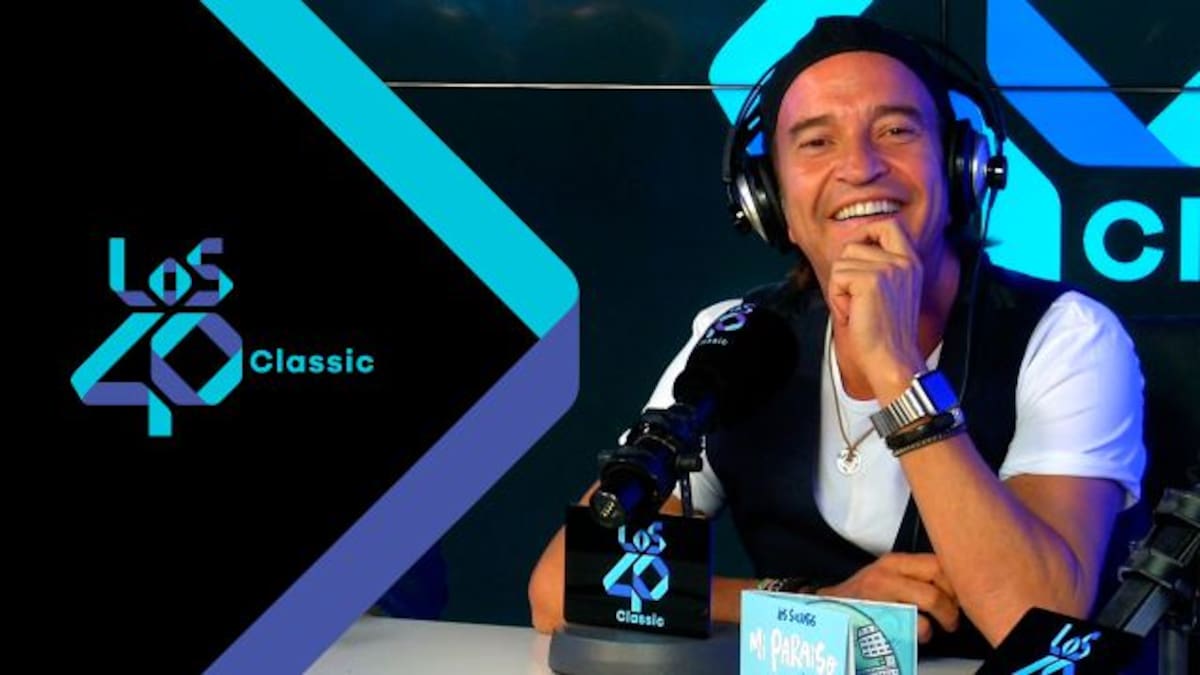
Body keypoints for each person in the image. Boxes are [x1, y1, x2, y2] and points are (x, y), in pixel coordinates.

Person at [528, 16, 1145, 657]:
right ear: (770, 201)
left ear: (958, 166)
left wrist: (897, 372)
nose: (860, 167)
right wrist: (814, 607)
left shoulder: (1066, 337)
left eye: (896, 131)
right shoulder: (738, 340)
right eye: (817, 142)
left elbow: (1038, 622)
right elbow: (560, 588)